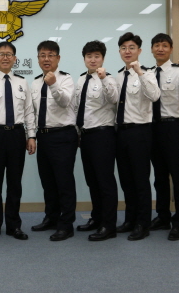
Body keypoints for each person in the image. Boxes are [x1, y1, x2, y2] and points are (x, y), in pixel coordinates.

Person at [0, 42, 36, 242]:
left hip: (16, 135)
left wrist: (31, 136)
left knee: (15, 183)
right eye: (1, 54)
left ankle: (14, 225)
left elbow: (28, 111)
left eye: (9, 54)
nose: (5, 57)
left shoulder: (22, 82)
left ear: (15, 59)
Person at [149, 33, 179, 241]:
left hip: (173, 127)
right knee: (159, 177)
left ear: (171, 49)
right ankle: (163, 217)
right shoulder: (148, 73)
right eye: (157, 45)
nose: (160, 49)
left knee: (177, 176)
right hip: (153, 128)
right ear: (151, 49)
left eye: (164, 45)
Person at [114, 32, 160, 241]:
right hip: (121, 132)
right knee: (126, 180)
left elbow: (154, 96)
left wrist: (139, 72)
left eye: (131, 48)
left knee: (141, 180)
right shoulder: (118, 76)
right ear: (119, 51)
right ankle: (130, 220)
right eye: (124, 48)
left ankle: (143, 223)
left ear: (139, 51)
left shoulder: (147, 73)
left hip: (140, 132)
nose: (127, 51)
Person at [30, 40, 78, 241]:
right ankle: (51, 217)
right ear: (38, 59)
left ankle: (66, 224)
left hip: (63, 135)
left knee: (64, 182)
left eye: (50, 55)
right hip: (43, 136)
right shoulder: (35, 82)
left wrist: (53, 84)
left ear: (58, 58)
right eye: (42, 55)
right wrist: (32, 136)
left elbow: (64, 101)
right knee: (48, 181)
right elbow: (32, 112)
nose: (46, 59)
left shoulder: (66, 79)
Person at [74, 40, 119, 241]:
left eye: (97, 56)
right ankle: (97, 218)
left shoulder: (109, 79)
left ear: (103, 58)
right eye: (89, 56)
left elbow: (114, 99)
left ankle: (109, 226)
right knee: (92, 181)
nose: (93, 60)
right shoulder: (81, 80)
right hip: (85, 136)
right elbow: (77, 108)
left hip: (103, 135)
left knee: (105, 181)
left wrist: (103, 79)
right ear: (84, 59)